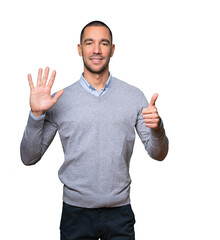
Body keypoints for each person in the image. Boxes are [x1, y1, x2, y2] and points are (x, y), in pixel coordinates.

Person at [20, 20, 169, 240]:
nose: (96, 50)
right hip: (75, 214)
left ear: (113, 49)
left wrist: (158, 128)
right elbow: (28, 157)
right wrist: (36, 114)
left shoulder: (134, 96)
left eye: (104, 43)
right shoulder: (59, 100)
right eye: (89, 43)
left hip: (119, 213)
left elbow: (159, 154)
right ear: (80, 49)